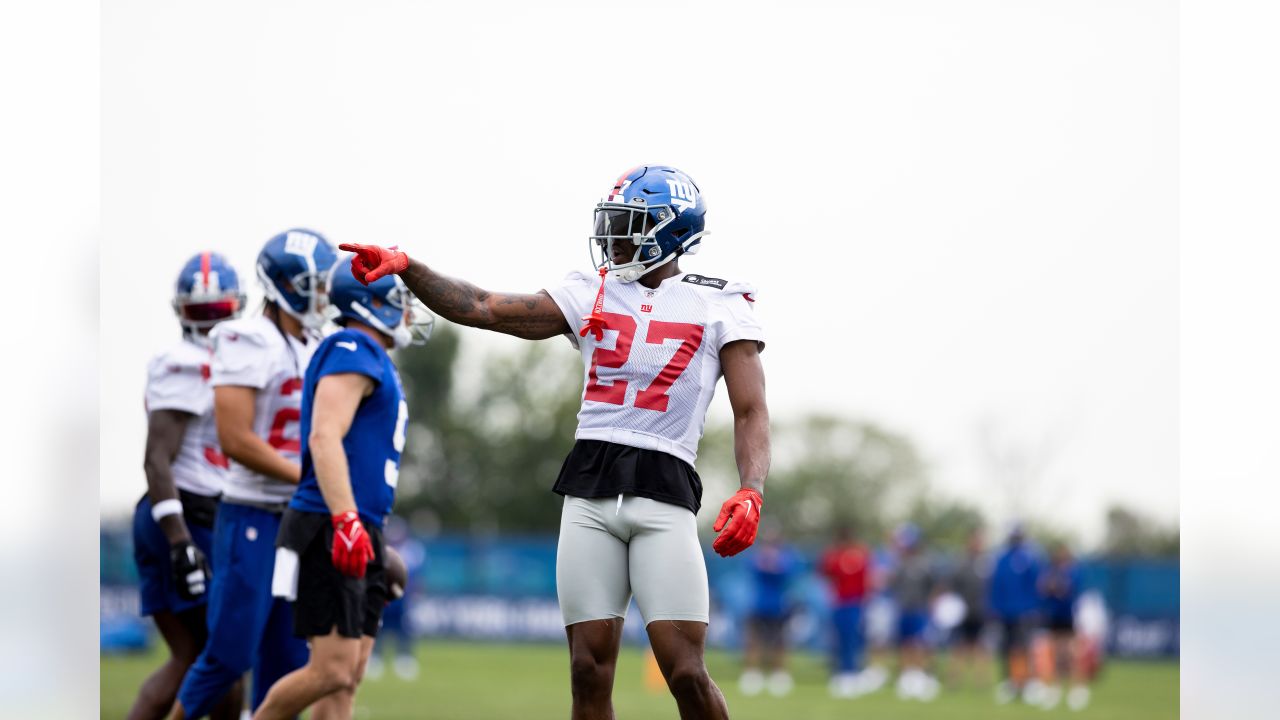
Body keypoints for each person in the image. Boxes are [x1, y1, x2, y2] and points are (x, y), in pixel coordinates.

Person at [339, 164, 770, 720]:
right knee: (587, 670)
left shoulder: (722, 301)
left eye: (629, 222)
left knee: (684, 670)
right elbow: (485, 307)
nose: (613, 234)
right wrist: (408, 267)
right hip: (590, 488)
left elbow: (751, 409)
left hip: (664, 488)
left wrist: (751, 488)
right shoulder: (592, 290)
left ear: (669, 230)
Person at [252, 260, 432, 720]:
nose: (407, 310)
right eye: (398, 300)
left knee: (346, 680)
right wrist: (347, 521)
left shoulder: (374, 357)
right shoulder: (351, 345)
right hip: (332, 522)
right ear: (369, 303)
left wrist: (365, 530)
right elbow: (323, 435)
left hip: (359, 525)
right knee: (330, 671)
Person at [171, 229, 337, 719]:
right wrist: (309, 476)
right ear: (284, 284)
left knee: (288, 660)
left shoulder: (317, 343)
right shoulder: (248, 338)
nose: (322, 294)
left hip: (299, 519)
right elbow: (236, 439)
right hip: (252, 513)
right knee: (229, 657)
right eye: (314, 284)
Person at [129, 252, 246, 720]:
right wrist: (179, 542)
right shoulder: (186, 363)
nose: (213, 322)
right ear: (181, 311)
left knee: (194, 659)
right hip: (183, 517)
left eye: (218, 310)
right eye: (204, 311)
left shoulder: (211, 360)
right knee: (220, 660)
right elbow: (157, 459)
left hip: (184, 515)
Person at [818, 524, 883, 698]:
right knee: (846, 639)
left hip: (850, 603)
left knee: (851, 640)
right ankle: (846, 673)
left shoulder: (846, 556)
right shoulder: (855, 555)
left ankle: (850, 674)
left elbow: (826, 573)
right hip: (848, 603)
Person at [988, 523, 1044, 705]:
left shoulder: (1029, 558)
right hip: (1005, 612)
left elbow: (1036, 586)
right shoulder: (1001, 558)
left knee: (1024, 648)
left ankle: (1026, 682)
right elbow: (996, 586)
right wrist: (995, 607)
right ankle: (1011, 681)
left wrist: (1034, 607)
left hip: (1024, 612)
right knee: (1007, 648)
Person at [738, 526, 797, 697]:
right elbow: (755, 567)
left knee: (779, 641)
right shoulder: (755, 557)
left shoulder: (786, 558)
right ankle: (752, 674)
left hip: (778, 607)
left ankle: (779, 675)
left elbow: (784, 571)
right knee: (753, 640)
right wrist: (768, 561)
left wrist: (772, 562)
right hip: (758, 605)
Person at [887, 523, 940, 701]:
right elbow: (893, 586)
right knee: (904, 643)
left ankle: (920, 676)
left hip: (920, 609)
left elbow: (934, 587)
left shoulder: (925, 563)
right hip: (903, 609)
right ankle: (906, 676)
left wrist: (932, 606)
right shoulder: (899, 564)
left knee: (920, 643)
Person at [1037, 542, 1089, 710]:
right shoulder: (1051, 571)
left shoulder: (1074, 572)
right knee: (1056, 653)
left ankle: (1077, 688)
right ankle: (1056, 688)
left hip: (1068, 617)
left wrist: (1056, 588)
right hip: (1054, 617)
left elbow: (1068, 591)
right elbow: (1043, 589)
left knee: (1071, 653)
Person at [945, 527, 992, 690]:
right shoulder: (961, 563)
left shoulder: (987, 563)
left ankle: (981, 683)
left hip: (981, 612)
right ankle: (953, 682)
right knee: (959, 647)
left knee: (981, 648)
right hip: (963, 613)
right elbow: (951, 587)